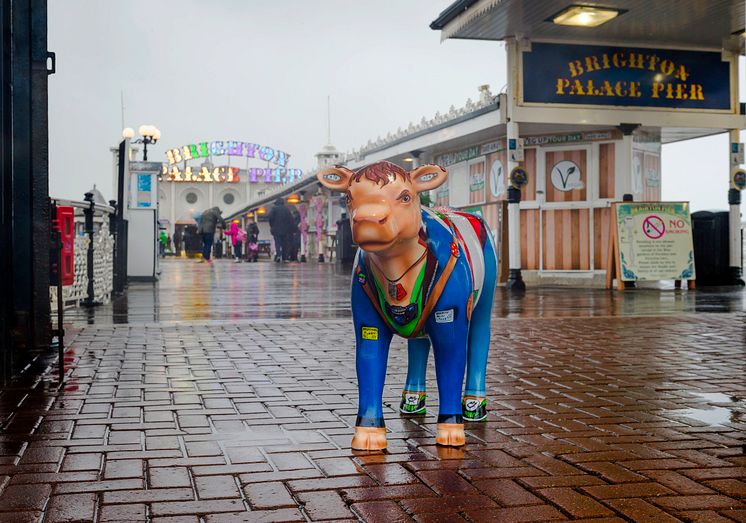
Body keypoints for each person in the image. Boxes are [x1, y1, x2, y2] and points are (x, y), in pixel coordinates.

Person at [267, 198, 294, 262]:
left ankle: (278, 255)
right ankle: (285, 257)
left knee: (277, 243)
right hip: (286, 230)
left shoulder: (274, 209)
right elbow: (291, 220)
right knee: (285, 244)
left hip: (276, 230)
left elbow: (270, 218)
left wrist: (272, 226)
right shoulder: (287, 210)